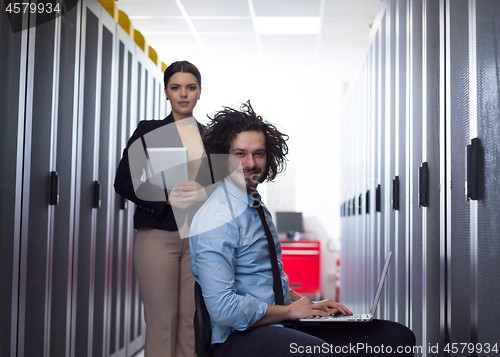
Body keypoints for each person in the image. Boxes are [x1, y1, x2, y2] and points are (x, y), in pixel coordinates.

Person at [189, 101, 416, 356]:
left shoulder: (255, 207)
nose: (250, 163)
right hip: (238, 338)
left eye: (259, 153)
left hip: (278, 323)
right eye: (239, 154)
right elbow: (223, 308)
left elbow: (269, 284)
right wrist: (289, 311)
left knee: (395, 338)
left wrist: (308, 304)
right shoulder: (216, 218)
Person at [114, 60, 213, 357]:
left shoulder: (211, 136)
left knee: (190, 320)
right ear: (167, 92)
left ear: (199, 92)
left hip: (198, 236)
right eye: (175, 87)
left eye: (190, 87)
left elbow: (222, 185)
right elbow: (123, 181)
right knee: (162, 320)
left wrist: (205, 190)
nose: (183, 94)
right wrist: (166, 196)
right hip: (157, 234)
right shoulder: (148, 130)